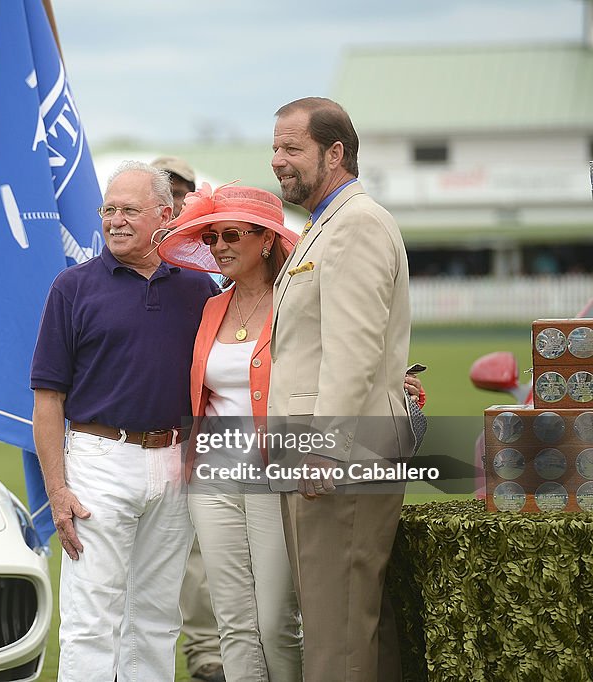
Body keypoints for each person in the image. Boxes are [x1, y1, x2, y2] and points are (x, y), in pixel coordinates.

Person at [30, 160, 219, 681]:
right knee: (91, 622)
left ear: (164, 214)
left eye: (128, 210)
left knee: (156, 619)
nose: (115, 219)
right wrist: (58, 490)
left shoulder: (199, 288)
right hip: (99, 462)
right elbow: (48, 399)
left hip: (175, 463)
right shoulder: (71, 288)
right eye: (108, 209)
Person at [268, 96, 411, 681]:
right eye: (274, 147)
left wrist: (324, 446)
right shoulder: (325, 225)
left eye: (291, 148)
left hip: (340, 457)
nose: (278, 160)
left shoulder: (355, 225)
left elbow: (352, 353)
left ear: (335, 152)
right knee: (341, 626)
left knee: (338, 635)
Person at [157, 184, 303, 681]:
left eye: (232, 235)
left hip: (274, 475)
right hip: (213, 481)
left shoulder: (297, 304)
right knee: (234, 624)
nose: (219, 246)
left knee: (276, 622)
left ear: (266, 240)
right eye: (213, 235)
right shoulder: (212, 307)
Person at [151, 154, 226, 682]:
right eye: (168, 193)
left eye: (184, 194)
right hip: (134, 440)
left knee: (202, 552)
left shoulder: (209, 269)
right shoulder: (115, 264)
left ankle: (206, 656)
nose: (177, 203)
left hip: (198, 433)